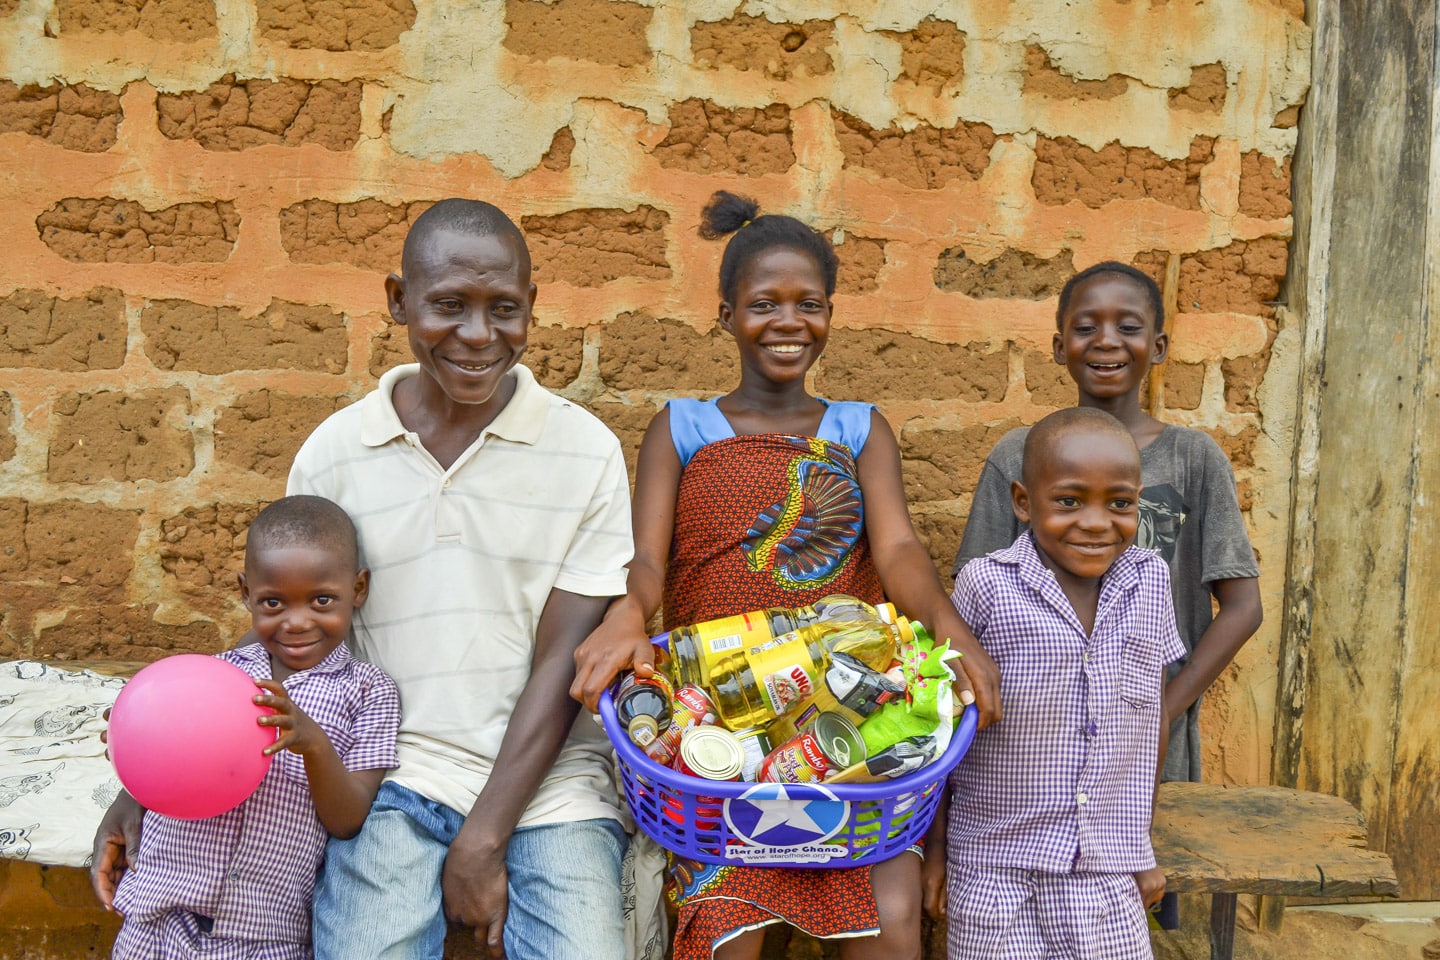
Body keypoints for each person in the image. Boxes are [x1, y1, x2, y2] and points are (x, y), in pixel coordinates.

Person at [570, 190, 1001, 960]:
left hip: (848, 701)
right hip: (720, 706)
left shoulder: (860, 431)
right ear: (726, 315)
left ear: (831, 313)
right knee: (729, 920)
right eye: (764, 303)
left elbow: (899, 551)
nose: (789, 323)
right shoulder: (680, 429)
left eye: (810, 304)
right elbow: (648, 562)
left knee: (890, 910)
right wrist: (627, 614)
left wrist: (952, 630)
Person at [284, 199, 635, 960]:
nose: (479, 336)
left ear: (532, 308)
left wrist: (484, 837)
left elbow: (562, 660)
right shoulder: (336, 453)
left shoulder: (585, 450)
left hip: (553, 786)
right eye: (449, 306)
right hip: (392, 773)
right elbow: (287, 627)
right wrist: (148, 788)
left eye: (503, 308)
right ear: (398, 301)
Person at [952, 261, 1262, 786]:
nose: (1106, 341)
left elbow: (1243, 606)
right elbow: (970, 598)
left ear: (1159, 348)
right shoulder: (1020, 455)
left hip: (1149, 741)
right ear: (1058, 346)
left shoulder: (1193, 458)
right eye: (1086, 326)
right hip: (1033, 739)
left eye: (1129, 327)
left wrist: (1165, 709)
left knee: (1142, 860)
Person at [93, 494, 402, 960]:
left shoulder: (369, 692)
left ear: (357, 589)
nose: (297, 622)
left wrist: (313, 742)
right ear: (245, 592)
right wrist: (132, 746)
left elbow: (348, 819)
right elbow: (159, 764)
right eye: (273, 602)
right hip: (156, 920)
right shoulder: (208, 676)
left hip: (265, 935)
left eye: (322, 600)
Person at [943, 406, 1185, 959]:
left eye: (1120, 503)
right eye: (1070, 501)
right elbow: (943, 731)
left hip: (1106, 869)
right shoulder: (987, 586)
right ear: (1024, 502)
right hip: (995, 866)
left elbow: (1151, 717)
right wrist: (936, 857)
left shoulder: (1148, 580)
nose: (1097, 523)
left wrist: (1140, 848)